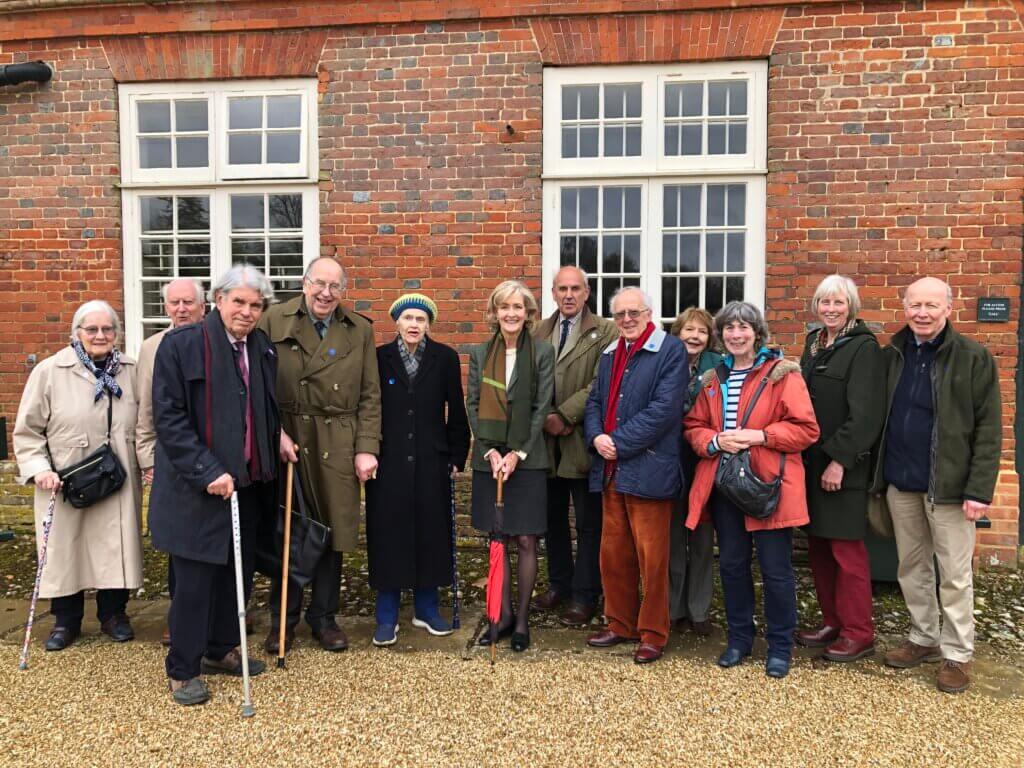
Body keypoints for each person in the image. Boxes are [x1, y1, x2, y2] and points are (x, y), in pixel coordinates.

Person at [150, 265, 280, 706]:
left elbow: (259, 405)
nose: (246, 311)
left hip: (243, 483)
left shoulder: (259, 347)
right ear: (219, 300)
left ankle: (220, 648)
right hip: (195, 487)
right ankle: (182, 669)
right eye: (238, 301)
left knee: (235, 573)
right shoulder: (181, 346)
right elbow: (169, 419)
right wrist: (207, 472)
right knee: (194, 583)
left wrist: (274, 437)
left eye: (255, 305)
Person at [873, 277, 1001, 694]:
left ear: (949, 308)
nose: (922, 313)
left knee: (955, 574)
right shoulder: (892, 354)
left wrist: (979, 490)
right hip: (901, 481)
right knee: (912, 567)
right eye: (915, 305)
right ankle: (923, 638)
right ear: (904, 307)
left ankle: (958, 653)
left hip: (949, 487)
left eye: (931, 305)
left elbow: (988, 430)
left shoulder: (973, 357)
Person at [684, 301, 819, 678]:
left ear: (757, 333)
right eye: (729, 328)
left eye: (744, 327)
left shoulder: (782, 374)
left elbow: (806, 429)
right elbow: (693, 426)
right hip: (725, 484)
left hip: (768, 485)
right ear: (721, 336)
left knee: (776, 570)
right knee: (731, 566)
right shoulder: (714, 379)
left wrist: (760, 435)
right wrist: (713, 441)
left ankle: (779, 646)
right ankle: (740, 639)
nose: (736, 334)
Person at [257, 256, 381, 654]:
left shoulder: (358, 329)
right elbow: (254, 385)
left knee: (332, 530)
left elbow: (369, 394)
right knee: (288, 529)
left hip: (338, 438)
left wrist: (366, 448)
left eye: (335, 287)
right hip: (288, 436)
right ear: (304, 283)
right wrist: (274, 432)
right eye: (319, 284)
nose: (326, 294)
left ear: (344, 291)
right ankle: (284, 620)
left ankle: (324, 617)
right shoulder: (272, 320)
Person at [14, 300, 144, 651]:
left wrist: (148, 464)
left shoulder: (131, 370)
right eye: (92, 329)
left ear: (117, 334)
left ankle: (114, 614)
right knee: (64, 548)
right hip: (66, 479)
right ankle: (66, 620)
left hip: (117, 478)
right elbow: (27, 431)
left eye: (108, 329)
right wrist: (39, 469)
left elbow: (147, 424)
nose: (100, 335)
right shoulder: (49, 371)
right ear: (77, 333)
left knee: (114, 545)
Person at [584, 287, 687, 665]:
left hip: (649, 469)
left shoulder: (669, 350)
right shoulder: (611, 353)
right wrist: (597, 437)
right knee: (614, 554)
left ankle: (653, 633)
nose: (627, 319)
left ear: (649, 313)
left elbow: (665, 410)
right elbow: (594, 400)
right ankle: (620, 622)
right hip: (611, 469)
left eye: (634, 312)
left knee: (652, 559)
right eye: (620, 314)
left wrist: (617, 442)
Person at [365, 293, 470, 646]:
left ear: (429, 324)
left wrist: (457, 455)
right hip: (388, 460)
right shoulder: (379, 358)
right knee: (388, 532)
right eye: (408, 318)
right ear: (396, 322)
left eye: (421, 319)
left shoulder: (445, 358)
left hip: (432, 459)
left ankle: (427, 608)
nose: (414, 325)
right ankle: (387, 614)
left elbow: (456, 410)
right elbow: (368, 407)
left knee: (431, 532)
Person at [797, 276, 885, 662]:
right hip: (810, 464)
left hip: (841, 469)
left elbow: (866, 415)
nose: (831, 309)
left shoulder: (863, 348)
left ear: (851, 306)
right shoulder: (814, 344)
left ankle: (858, 631)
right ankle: (833, 621)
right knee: (818, 548)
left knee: (847, 553)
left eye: (838, 302)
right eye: (824, 302)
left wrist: (839, 462)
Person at [468, 280, 555, 652]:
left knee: (525, 538)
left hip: (528, 460)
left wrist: (517, 453)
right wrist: (490, 451)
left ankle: (521, 619)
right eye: (504, 307)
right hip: (490, 460)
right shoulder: (479, 352)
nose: (511, 313)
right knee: (498, 539)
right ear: (494, 312)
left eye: (518, 307)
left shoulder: (542, 352)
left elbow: (541, 406)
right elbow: (472, 403)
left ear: (529, 313)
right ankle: (499, 615)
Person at [531, 266, 617, 626]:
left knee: (588, 524)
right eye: (562, 289)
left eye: (575, 289)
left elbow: (601, 382)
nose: (568, 295)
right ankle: (559, 585)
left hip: (583, 441)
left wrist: (564, 416)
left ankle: (585, 595)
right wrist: (543, 417)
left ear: (587, 293)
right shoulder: (538, 331)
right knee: (551, 521)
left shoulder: (606, 331)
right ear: (552, 293)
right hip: (544, 446)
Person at [135, 277, 206, 646]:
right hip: (171, 460)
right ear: (166, 308)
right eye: (175, 303)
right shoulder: (153, 347)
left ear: (203, 306)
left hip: (213, 461)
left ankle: (222, 618)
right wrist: (148, 461)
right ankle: (178, 615)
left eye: (188, 303)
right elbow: (147, 409)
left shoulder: (218, 343)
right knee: (180, 543)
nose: (181, 309)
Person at [668, 307, 723, 637]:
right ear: (678, 333)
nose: (694, 336)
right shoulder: (666, 363)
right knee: (673, 536)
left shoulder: (717, 367)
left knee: (702, 537)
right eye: (688, 330)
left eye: (701, 331)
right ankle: (673, 608)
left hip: (704, 458)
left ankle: (699, 609)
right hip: (672, 459)